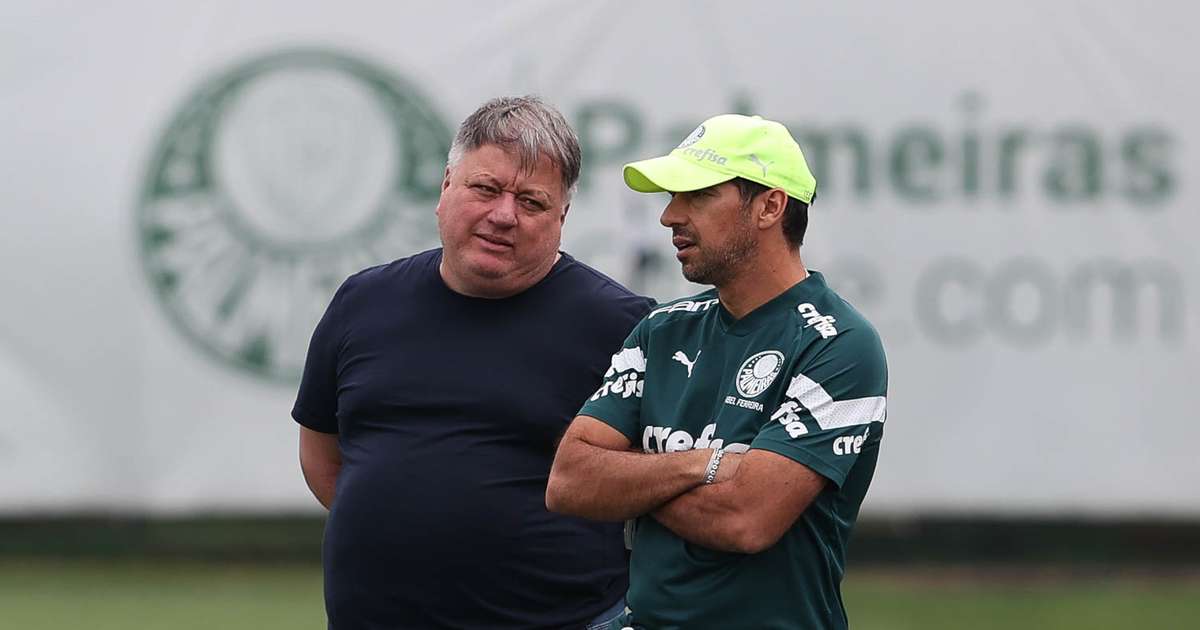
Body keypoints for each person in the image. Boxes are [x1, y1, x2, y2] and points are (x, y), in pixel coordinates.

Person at [293, 96, 653, 630]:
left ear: (563, 216)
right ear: (445, 187)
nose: (503, 215)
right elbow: (322, 454)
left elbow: (655, 481)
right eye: (485, 189)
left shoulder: (624, 325)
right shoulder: (363, 301)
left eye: (531, 202)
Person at [546, 114, 888, 630]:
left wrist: (628, 481)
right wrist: (703, 465)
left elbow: (745, 519)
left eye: (698, 195)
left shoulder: (838, 343)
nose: (669, 216)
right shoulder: (661, 329)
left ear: (770, 206)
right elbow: (569, 480)